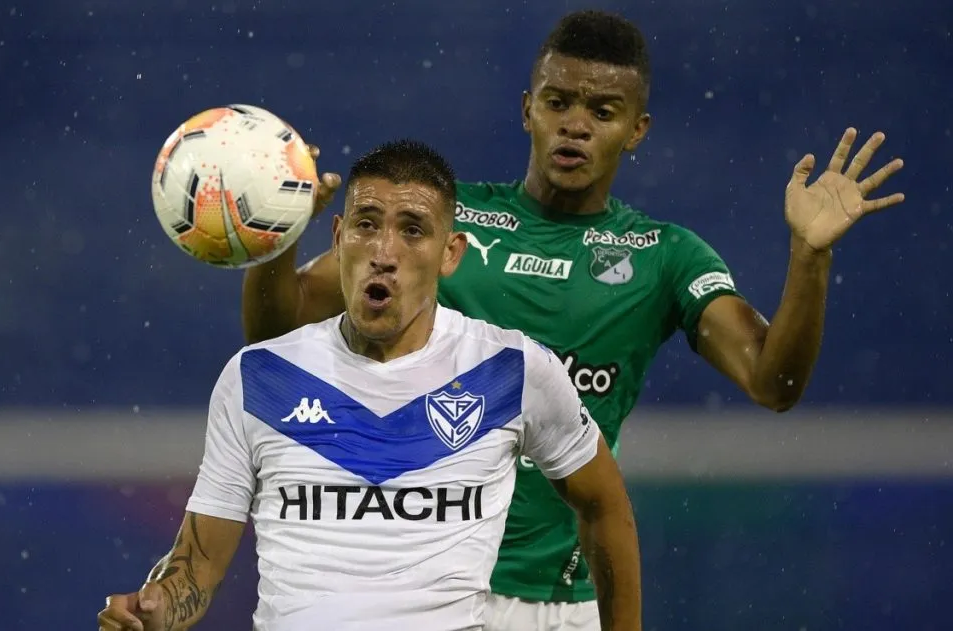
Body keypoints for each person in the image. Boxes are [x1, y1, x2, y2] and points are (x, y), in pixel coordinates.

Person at [241, 12, 905, 630]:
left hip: (559, 607)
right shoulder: (439, 222)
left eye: (602, 110)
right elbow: (277, 330)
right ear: (528, 110)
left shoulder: (666, 258)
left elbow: (773, 381)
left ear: (636, 129)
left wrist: (809, 257)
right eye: (558, 102)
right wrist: (275, 239)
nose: (576, 124)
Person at [98, 140, 641, 631]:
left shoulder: (512, 370)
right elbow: (199, 566)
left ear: (451, 254)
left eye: (412, 229)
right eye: (366, 223)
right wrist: (156, 611)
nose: (384, 251)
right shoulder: (258, 377)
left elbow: (604, 506)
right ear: (338, 240)